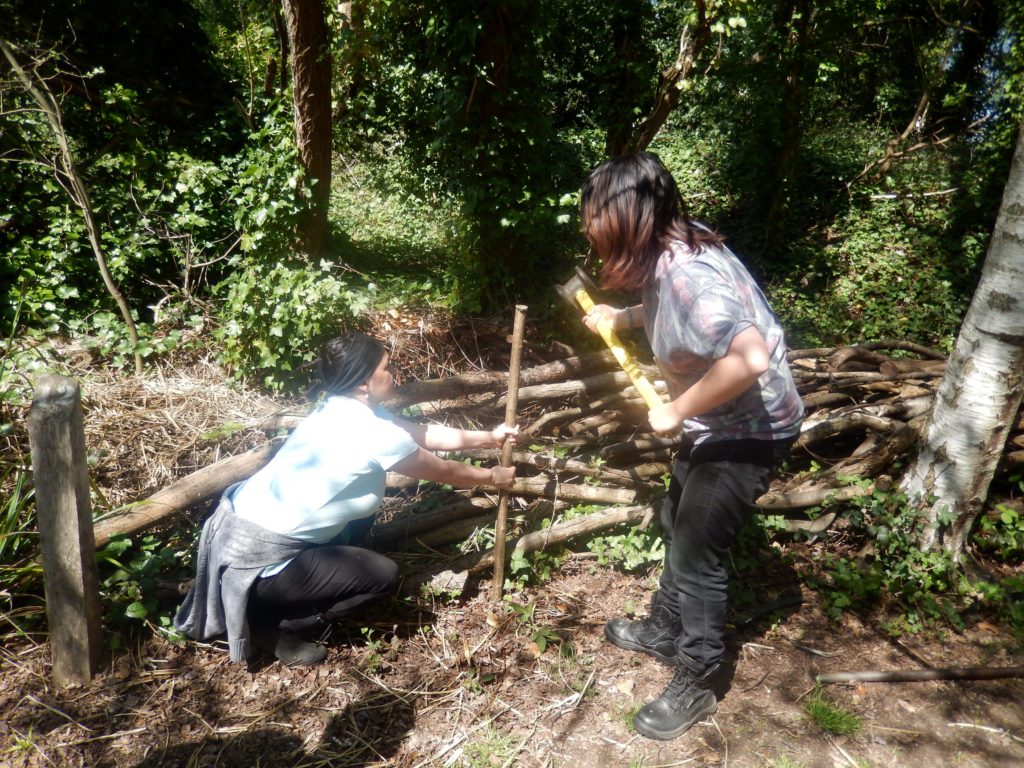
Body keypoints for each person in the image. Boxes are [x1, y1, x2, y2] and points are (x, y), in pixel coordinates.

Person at [578, 152, 804, 741]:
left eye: (595, 217)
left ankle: (698, 675)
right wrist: (623, 317)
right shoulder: (670, 253)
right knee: (678, 515)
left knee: (696, 553)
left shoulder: (689, 272)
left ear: (628, 217)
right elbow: (672, 310)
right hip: (718, 426)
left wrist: (675, 409)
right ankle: (665, 625)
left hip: (749, 432)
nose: (588, 228)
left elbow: (749, 357)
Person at [175, 331, 517, 667]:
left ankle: (299, 589)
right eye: (386, 367)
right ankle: (272, 624)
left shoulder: (342, 408)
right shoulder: (371, 432)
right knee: (382, 575)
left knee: (364, 515)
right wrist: (492, 477)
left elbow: (422, 434)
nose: (394, 373)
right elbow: (444, 471)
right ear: (363, 383)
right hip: (259, 561)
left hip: (235, 534)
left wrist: (489, 438)